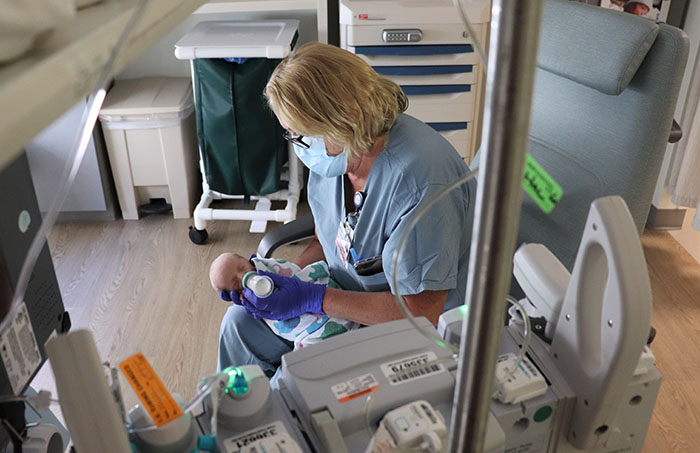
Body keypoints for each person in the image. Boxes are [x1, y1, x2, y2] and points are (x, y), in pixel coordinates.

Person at [218, 42, 476, 376]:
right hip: (342, 299)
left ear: (342, 121)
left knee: (296, 382)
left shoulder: (420, 182)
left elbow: (421, 312)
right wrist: (286, 279)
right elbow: (328, 238)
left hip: (410, 330)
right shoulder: (337, 156)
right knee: (240, 322)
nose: (301, 146)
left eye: (301, 135)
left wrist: (311, 299)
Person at [210, 252, 359, 356]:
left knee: (299, 364)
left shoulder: (266, 270)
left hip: (331, 308)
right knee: (234, 318)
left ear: (249, 260)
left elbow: (288, 272)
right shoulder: (246, 299)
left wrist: (265, 270)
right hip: (304, 332)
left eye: (242, 268)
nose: (243, 277)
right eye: (236, 283)